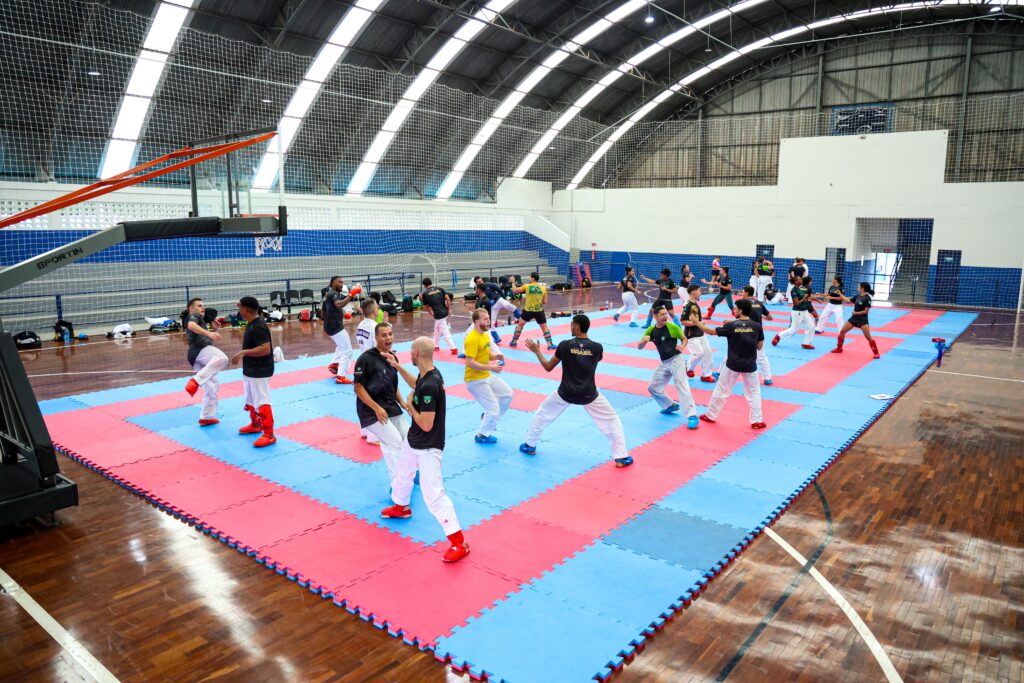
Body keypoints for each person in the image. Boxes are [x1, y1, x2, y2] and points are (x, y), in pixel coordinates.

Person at [381, 337, 469, 563]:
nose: (409, 354)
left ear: (417, 353)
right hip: (414, 440)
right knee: (403, 472)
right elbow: (415, 384)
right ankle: (401, 506)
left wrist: (409, 405)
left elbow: (426, 423)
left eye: (411, 351)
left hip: (429, 446)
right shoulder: (428, 375)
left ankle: (459, 542)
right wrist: (398, 366)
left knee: (434, 495)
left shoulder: (430, 384)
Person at [519, 315, 632, 467]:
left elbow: (548, 367)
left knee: (542, 414)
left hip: (565, 392)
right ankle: (621, 457)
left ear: (577, 328)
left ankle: (529, 445)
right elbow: (595, 360)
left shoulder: (564, 345)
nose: (570, 328)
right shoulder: (597, 348)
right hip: (589, 394)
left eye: (572, 325)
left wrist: (537, 351)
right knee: (612, 420)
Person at [696, 298, 767, 429]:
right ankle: (757, 421)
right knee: (754, 394)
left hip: (732, 365)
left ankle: (711, 415)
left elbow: (711, 332)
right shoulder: (757, 327)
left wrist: (697, 323)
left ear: (740, 310)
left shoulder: (732, 325)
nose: (734, 310)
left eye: (735, 308)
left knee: (721, 390)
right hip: (750, 365)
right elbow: (760, 346)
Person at [353, 322, 406, 477]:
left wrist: (402, 401)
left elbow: (392, 383)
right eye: (383, 335)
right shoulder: (365, 359)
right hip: (371, 410)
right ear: (376, 337)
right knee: (395, 442)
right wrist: (376, 408)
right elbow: (358, 388)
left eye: (390, 334)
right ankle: (398, 482)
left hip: (390, 405)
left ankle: (408, 471)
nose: (388, 338)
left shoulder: (393, 356)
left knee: (407, 438)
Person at [639, 306, 699, 429]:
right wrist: (643, 342)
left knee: (681, 385)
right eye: (662, 314)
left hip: (676, 360)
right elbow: (639, 347)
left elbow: (684, 338)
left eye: (666, 314)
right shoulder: (651, 330)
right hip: (664, 363)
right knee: (652, 387)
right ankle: (669, 405)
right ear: (655, 316)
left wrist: (682, 346)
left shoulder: (672, 327)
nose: (665, 316)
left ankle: (692, 415)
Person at [232, 296, 276, 447]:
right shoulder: (251, 321)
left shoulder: (258, 326)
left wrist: (243, 352)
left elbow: (265, 349)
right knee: (250, 399)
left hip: (261, 370)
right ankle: (256, 424)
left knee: (262, 401)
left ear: (245, 310)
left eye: (240, 308)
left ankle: (269, 434)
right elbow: (247, 307)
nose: (239, 310)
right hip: (250, 369)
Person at [464, 309, 513, 444]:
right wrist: (491, 367)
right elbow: (470, 362)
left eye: (488, 318)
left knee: (507, 394)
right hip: (475, 380)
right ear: (476, 322)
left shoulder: (485, 335)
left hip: (485, 375)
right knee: (493, 409)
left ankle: (488, 419)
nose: (488, 321)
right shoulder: (472, 338)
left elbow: (485, 354)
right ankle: (482, 435)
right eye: (485, 319)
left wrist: (495, 356)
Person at [183, 297, 228, 426]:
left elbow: (207, 339)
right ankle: (195, 381)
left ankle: (206, 417)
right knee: (222, 358)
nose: (202, 308)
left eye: (203, 305)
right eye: (199, 305)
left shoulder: (200, 321)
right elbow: (191, 326)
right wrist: (209, 333)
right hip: (199, 350)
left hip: (196, 355)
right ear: (191, 309)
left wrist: (215, 330)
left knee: (212, 386)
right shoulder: (193, 317)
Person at [354, 298, 382, 445]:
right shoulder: (375, 326)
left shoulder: (361, 324)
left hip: (361, 362)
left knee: (363, 398)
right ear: (374, 310)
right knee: (373, 399)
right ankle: (373, 436)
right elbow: (378, 346)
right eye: (377, 307)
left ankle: (364, 431)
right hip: (372, 364)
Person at [322, 276, 360, 384]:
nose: (341, 284)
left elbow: (323, 313)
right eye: (339, 282)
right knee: (347, 351)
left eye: (342, 282)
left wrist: (343, 314)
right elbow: (339, 304)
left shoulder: (328, 295)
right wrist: (352, 293)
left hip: (330, 326)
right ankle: (341, 376)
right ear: (333, 283)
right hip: (335, 327)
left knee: (341, 345)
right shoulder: (333, 294)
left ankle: (334, 364)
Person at [736, 286, 774, 386]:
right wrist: (761, 316)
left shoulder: (744, 304)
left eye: (743, 292)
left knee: (734, 353)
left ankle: (720, 373)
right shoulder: (759, 303)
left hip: (746, 332)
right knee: (761, 357)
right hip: (758, 333)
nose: (741, 293)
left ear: (747, 293)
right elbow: (770, 318)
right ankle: (768, 378)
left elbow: (739, 318)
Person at [831, 282, 880, 359]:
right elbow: (847, 299)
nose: (858, 287)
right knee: (842, 331)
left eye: (859, 286)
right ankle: (839, 348)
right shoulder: (857, 296)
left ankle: (876, 353)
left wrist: (855, 312)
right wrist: (840, 294)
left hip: (862, 320)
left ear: (862, 288)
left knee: (868, 336)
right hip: (854, 318)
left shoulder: (867, 298)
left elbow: (866, 311)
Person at [509, 272, 555, 350]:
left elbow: (515, 291)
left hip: (528, 311)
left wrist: (513, 282)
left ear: (533, 278)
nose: (529, 279)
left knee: (520, 325)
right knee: (544, 328)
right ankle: (549, 344)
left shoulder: (527, 286)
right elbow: (545, 302)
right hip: (539, 311)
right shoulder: (543, 288)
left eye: (530, 277)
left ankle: (514, 341)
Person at [681, 285, 715, 383]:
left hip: (700, 332)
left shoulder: (695, 302)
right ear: (693, 292)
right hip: (691, 335)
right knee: (699, 353)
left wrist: (700, 322)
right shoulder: (687, 305)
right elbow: (683, 321)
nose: (700, 293)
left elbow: (695, 317)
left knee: (708, 352)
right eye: (699, 291)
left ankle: (706, 375)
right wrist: (697, 323)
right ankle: (687, 367)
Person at [773, 275, 816, 349]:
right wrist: (805, 297)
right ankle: (779, 335)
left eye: (801, 279)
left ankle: (806, 343)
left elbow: (805, 298)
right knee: (794, 330)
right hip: (797, 312)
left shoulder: (801, 289)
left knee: (811, 326)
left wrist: (811, 298)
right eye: (799, 279)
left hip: (804, 311)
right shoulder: (793, 290)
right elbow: (796, 303)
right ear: (796, 282)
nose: (801, 280)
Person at [421, 278, 458, 356]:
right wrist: (449, 309)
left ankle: (453, 347)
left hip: (438, 314)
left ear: (424, 285)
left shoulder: (425, 293)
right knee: (437, 329)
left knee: (445, 331)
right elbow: (448, 298)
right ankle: (435, 345)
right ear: (431, 282)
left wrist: (431, 313)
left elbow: (425, 306)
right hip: (444, 311)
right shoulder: (440, 289)